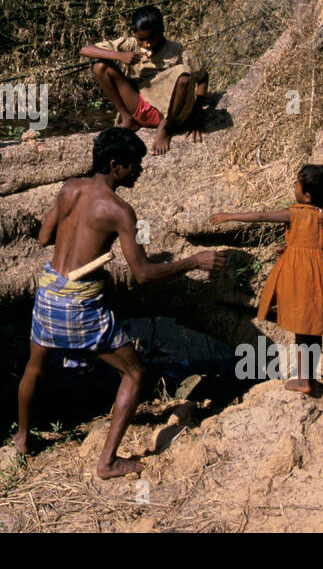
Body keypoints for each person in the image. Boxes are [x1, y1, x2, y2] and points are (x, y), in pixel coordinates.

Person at [15, 127, 228, 478]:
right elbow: (143, 273)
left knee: (34, 367)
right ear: (115, 165)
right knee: (134, 372)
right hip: (79, 304)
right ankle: (107, 462)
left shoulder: (69, 187)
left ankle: (22, 441)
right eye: (134, 166)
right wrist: (193, 261)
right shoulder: (118, 211)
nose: (139, 171)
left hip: (49, 292)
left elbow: (42, 238)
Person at [208, 165, 323, 394]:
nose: (294, 188)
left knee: (301, 332)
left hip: (300, 279)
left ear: (307, 195)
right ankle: (311, 378)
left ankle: (303, 381)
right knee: (314, 331)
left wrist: (229, 216)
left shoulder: (296, 213)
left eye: (296, 185)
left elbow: (262, 216)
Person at [80, 5, 208, 155]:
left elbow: (203, 77)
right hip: (141, 104)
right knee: (100, 66)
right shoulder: (131, 44)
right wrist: (120, 56)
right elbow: (85, 50)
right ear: (134, 33)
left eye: (152, 38)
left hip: (167, 112)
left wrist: (196, 117)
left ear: (161, 33)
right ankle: (128, 119)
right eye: (141, 39)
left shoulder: (176, 50)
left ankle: (166, 128)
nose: (147, 44)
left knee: (184, 74)